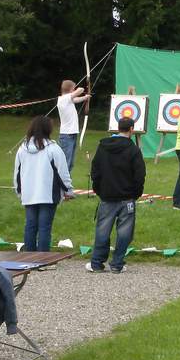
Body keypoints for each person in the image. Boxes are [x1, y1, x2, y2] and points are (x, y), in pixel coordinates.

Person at [87, 118, 146, 273]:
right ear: (131, 129)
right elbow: (139, 175)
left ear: (117, 128)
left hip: (107, 196)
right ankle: (117, 263)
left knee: (102, 230)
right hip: (127, 198)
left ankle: (96, 262)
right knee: (125, 232)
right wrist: (136, 194)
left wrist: (99, 189)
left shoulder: (103, 147)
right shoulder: (134, 150)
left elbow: (95, 171)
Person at [13, 116, 74, 251]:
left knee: (30, 225)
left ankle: (29, 256)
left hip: (28, 194)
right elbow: (63, 173)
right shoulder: (54, 149)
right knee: (44, 227)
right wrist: (68, 191)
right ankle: (42, 259)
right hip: (48, 194)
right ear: (48, 129)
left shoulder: (22, 149)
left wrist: (19, 191)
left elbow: (16, 173)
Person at [56, 80, 91, 173]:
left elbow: (76, 99)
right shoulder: (63, 99)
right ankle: (62, 185)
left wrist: (85, 97)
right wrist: (79, 90)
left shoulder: (68, 99)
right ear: (71, 89)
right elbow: (80, 90)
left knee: (70, 163)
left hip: (72, 134)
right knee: (66, 163)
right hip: (66, 135)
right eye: (73, 88)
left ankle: (67, 184)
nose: (75, 89)